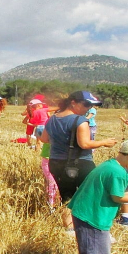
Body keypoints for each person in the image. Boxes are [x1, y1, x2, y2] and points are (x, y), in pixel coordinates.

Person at [39, 91, 118, 232]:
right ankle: (93, 228)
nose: (89, 108)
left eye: (91, 105)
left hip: (56, 163)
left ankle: (69, 228)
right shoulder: (81, 121)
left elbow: (44, 139)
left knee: (66, 195)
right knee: (92, 194)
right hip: (80, 163)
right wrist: (104, 142)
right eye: (86, 104)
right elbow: (85, 144)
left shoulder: (52, 119)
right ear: (73, 102)